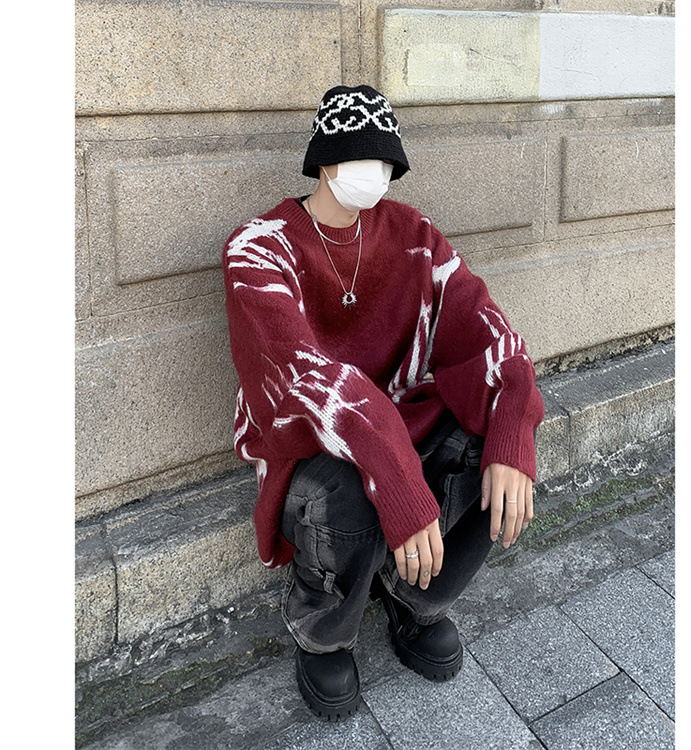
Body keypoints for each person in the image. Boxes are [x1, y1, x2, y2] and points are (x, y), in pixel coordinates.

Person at [222, 84, 545, 720]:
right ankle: (324, 630)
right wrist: (396, 479)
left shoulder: (414, 236)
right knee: (346, 488)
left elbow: (492, 335)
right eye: (359, 156)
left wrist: (512, 431)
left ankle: (415, 594)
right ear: (324, 161)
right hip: (313, 452)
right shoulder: (257, 249)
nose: (375, 173)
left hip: (403, 429)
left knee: (500, 443)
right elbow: (304, 378)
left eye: (385, 160)